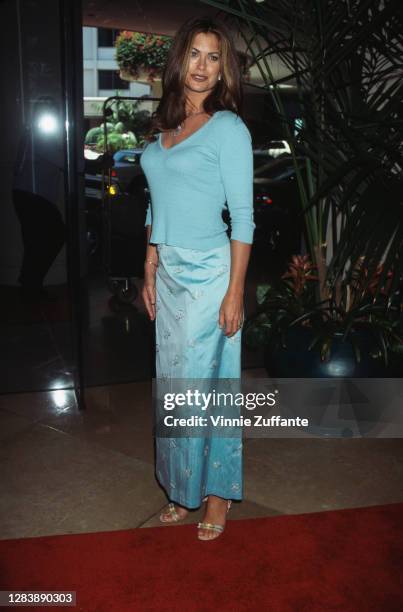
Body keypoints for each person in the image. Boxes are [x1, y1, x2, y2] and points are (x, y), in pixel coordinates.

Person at [140, 16, 255, 541]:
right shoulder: (164, 129)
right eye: (195, 54)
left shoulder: (228, 127)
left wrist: (235, 290)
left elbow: (244, 216)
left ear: (223, 67)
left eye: (214, 57)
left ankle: (216, 496)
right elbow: (155, 202)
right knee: (174, 388)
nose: (204, 66)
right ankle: (183, 489)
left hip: (210, 275)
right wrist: (149, 265)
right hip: (167, 275)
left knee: (209, 390)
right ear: (179, 60)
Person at [12, 97, 66, 301]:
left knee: (35, 242)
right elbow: (65, 161)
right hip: (33, 196)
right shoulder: (40, 137)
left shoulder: (30, 135)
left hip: (26, 195)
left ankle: (29, 284)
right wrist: (94, 165)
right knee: (55, 236)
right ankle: (30, 283)